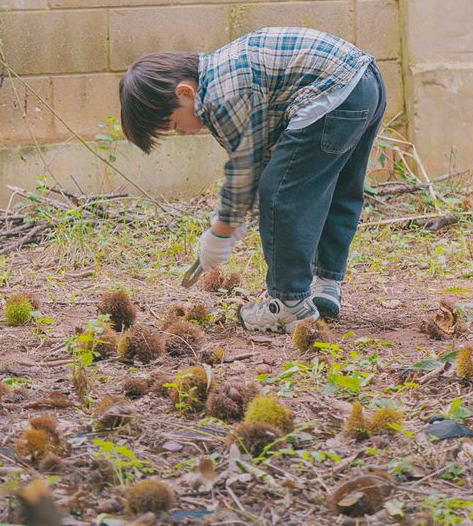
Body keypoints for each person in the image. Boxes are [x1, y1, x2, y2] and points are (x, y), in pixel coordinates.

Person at [118, 28, 386, 332]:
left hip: (331, 94)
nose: (180, 132)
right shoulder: (223, 70)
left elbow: (247, 172)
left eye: (172, 124)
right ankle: (325, 284)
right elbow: (267, 156)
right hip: (365, 82)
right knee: (336, 186)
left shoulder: (220, 97)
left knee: (280, 193)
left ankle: (288, 303)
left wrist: (219, 233)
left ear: (185, 93)